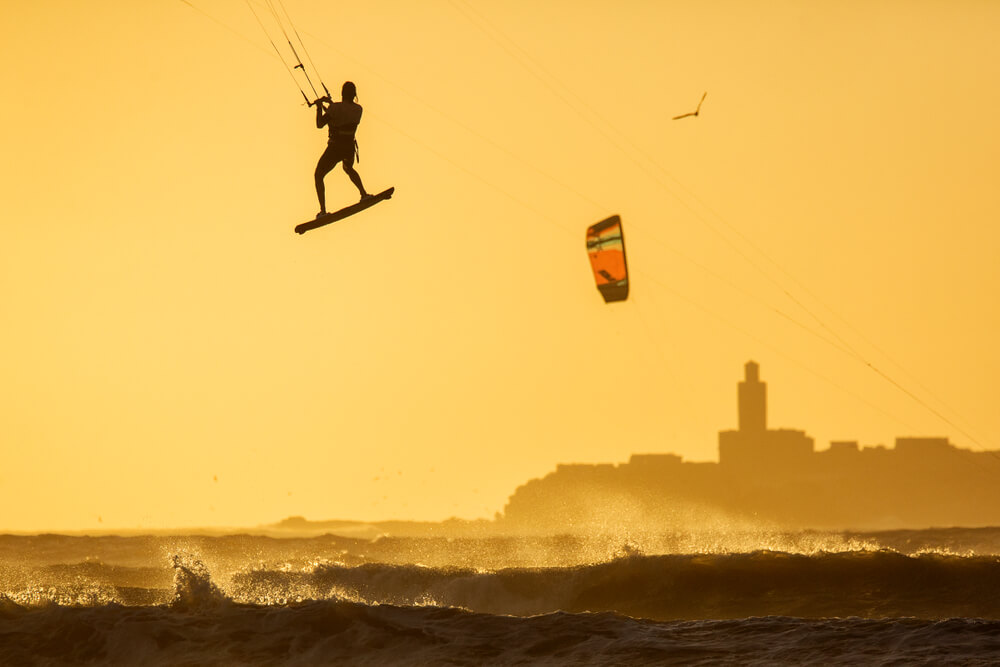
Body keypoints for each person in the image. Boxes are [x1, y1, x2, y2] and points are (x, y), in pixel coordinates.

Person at [314, 81, 370, 216]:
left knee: (318, 175)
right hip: (349, 148)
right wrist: (332, 106)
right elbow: (342, 115)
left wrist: (319, 106)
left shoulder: (335, 109)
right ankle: (364, 194)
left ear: (342, 93)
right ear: (354, 94)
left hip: (335, 149)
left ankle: (323, 211)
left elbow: (320, 124)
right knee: (348, 168)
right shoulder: (358, 109)